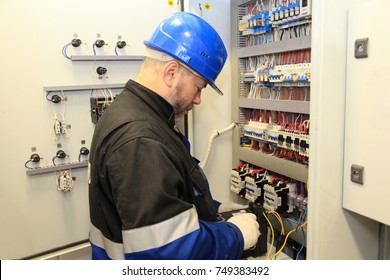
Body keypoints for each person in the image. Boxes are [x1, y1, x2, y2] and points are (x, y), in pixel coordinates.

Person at [88, 11, 260, 260]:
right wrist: (236, 235)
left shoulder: (136, 114)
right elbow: (169, 253)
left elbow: (165, 199)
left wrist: (212, 209)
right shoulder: (140, 140)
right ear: (171, 72)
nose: (198, 99)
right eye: (199, 87)